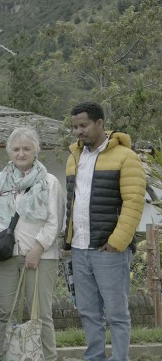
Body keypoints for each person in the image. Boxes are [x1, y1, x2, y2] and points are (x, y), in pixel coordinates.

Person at [63, 101, 144, 361]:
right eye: (75, 126)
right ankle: (94, 357)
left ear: (100, 123)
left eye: (84, 125)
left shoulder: (126, 157)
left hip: (109, 250)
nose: (79, 131)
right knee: (88, 311)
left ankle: (120, 358)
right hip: (79, 248)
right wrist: (68, 240)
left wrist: (116, 243)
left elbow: (134, 202)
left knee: (117, 314)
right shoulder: (73, 157)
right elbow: (71, 202)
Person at [0, 126, 63, 361]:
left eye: (26, 149)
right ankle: (4, 356)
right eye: (16, 149)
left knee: (40, 314)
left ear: (36, 151)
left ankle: (48, 358)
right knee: (5, 313)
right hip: (6, 256)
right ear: (9, 151)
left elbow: (55, 220)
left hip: (42, 256)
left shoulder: (49, 182)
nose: (21, 153)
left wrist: (37, 248)